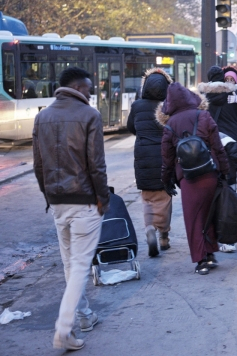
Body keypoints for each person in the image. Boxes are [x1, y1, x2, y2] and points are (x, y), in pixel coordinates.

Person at [33, 67, 109, 351]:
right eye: (89, 89)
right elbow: (96, 165)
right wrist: (104, 198)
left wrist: (48, 195)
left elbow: (38, 164)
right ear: (78, 87)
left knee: (69, 264)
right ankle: (64, 329)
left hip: (57, 201)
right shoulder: (90, 115)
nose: (91, 93)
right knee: (79, 266)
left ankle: (84, 315)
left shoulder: (43, 116)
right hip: (85, 201)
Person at [158, 82, 229, 275]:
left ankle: (201, 260)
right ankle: (211, 252)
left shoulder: (170, 124)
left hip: (188, 178)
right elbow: (218, 147)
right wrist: (224, 170)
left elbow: (167, 157)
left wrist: (166, 180)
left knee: (194, 219)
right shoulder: (204, 116)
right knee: (209, 214)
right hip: (210, 173)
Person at [127, 68, 174, 257]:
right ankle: (163, 236)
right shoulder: (168, 105)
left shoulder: (137, 105)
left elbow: (132, 127)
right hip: (164, 154)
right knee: (164, 196)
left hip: (143, 154)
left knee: (147, 197)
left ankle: (149, 228)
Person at [198, 66, 237, 190]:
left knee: (212, 177)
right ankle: (230, 204)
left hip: (211, 142)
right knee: (230, 177)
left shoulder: (202, 97)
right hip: (232, 142)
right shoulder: (233, 94)